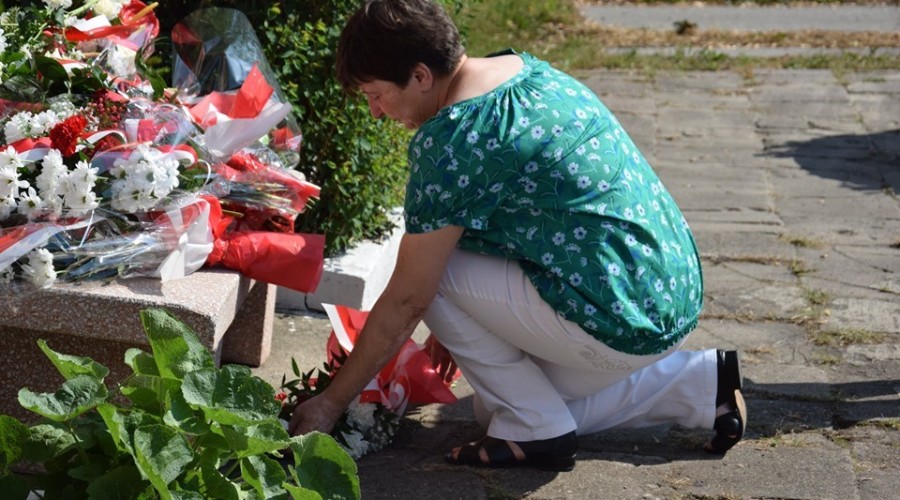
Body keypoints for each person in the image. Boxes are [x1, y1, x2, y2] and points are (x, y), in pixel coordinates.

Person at [288, 0, 746, 471]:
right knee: (498, 408)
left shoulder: (453, 139)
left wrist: (331, 402)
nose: (375, 112)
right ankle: (700, 383)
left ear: (421, 76)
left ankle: (536, 430)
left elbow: (409, 298)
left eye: (376, 94)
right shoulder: (521, 70)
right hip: (666, 291)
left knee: (437, 288)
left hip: (620, 320)